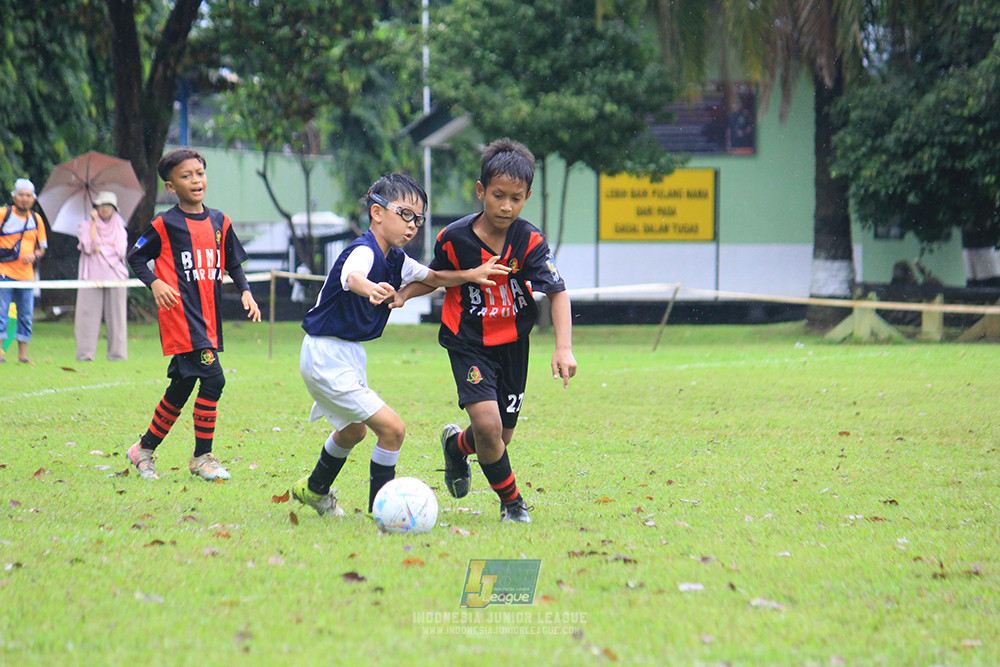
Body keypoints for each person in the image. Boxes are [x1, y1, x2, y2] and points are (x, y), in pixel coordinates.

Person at [291, 173, 510, 517]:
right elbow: (352, 276)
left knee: (353, 431)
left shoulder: (396, 258)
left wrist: (469, 275)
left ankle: (314, 489)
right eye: (405, 214)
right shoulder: (363, 250)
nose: (412, 225)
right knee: (393, 430)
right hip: (326, 353)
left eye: (418, 218)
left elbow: (433, 278)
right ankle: (384, 512)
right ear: (377, 213)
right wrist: (369, 288)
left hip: (345, 353)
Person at [396, 138, 577, 523]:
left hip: (513, 346)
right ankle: (513, 505)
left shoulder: (529, 241)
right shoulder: (454, 238)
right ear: (481, 191)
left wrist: (564, 348)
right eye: (498, 195)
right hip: (468, 342)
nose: (506, 206)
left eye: (516, 197)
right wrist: (405, 294)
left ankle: (456, 448)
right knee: (488, 426)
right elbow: (436, 278)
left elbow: (557, 292)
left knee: (498, 438)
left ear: (527, 197)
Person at [125, 148, 261, 482]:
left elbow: (232, 261)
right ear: (171, 187)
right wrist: (155, 283)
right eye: (186, 176)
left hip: (208, 318)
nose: (195, 180)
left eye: (199, 173)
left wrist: (245, 290)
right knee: (215, 379)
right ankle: (202, 457)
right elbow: (136, 257)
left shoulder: (220, 221)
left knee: (183, 386)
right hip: (182, 319)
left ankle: (143, 449)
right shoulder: (164, 224)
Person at [75, 191, 129, 361]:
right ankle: (85, 355)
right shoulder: (85, 225)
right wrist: (93, 223)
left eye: (108, 206)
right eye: (100, 206)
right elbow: (88, 246)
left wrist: (102, 248)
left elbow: (120, 251)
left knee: (117, 318)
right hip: (91, 275)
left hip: (115, 275)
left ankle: (117, 354)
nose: (104, 209)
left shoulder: (120, 227)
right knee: (87, 317)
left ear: (114, 208)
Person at [0, 178, 48, 364]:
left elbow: (42, 247)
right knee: (1, 313)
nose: (24, 199)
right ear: (14, 196)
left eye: (28, 196)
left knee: (26, 315)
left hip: (26, 276)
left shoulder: (36, 219)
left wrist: (35, 255)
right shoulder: (4, 214)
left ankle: (22, 355)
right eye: (21, 195)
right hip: (4, 273)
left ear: (33, 198)